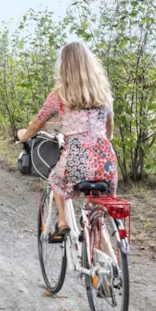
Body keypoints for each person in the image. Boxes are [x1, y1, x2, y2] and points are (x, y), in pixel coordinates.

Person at [16, 41, 118, 238]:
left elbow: (37, 124)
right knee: (98, 205)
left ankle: (62, 222)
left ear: (64, 66)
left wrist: (23, 135)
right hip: (105, 161)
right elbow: (109, 129)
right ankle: (100, 241)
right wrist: (104, 140)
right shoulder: (103, 94)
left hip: (76, 157)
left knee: (55, 178)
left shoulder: (59, 95)